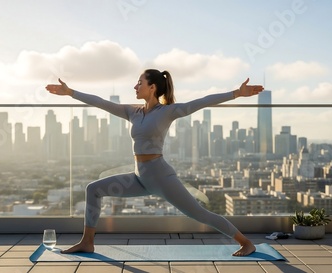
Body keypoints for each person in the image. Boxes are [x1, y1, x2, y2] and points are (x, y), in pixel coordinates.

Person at [46, 69, 264, 256]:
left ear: (152, 87)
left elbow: (200, 102)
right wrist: (70, 92)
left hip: (161, 177)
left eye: (140, 82)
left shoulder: (167, 111)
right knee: (93, 189)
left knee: (200, 214)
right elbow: (101, 103)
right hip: (140, 177)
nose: (135, 86)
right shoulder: (132, 111)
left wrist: (237, 93)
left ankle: (246, 243)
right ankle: (87, 242)